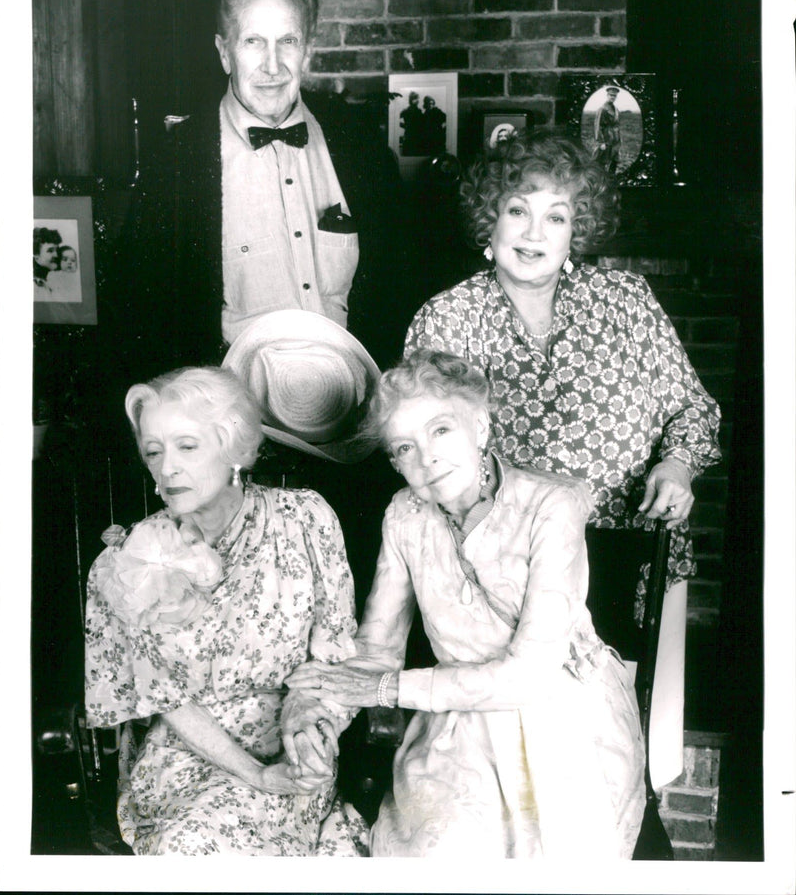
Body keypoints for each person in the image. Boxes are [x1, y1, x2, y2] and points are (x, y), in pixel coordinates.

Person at [286, 350, 646, 858]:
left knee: (554, 857)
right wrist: (319, 716)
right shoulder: (405, 516)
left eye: (440, 431)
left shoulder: (552, 505)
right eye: (404, 448)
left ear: (479, 426)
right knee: (444, 852)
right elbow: (377, 648)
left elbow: (529, 675)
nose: (426, 459)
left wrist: (386, 688)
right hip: (458, 721)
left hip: (563, 716)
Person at [404, 132, 722, 621]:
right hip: (505, 576)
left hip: (636, 558)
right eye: (517, 211)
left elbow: (692, 408)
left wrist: (678, 466)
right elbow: (425, 454)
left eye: (556, 216)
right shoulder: (448, 318)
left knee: (639, 697)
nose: (534, 234)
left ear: (577, 230)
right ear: (489, 221)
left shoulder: (626, 300)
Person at [84, 366, 368, 855]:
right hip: (188, 757)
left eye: (187, 446)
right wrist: (254, 773)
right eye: (154, 451)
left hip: (293, 746)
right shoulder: (128, 562)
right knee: (193, 844)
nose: (167, 466)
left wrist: (309, 733)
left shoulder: (304, 519)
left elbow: (337, 654)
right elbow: (166, 699)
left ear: (234, 447)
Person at [116, 0, 417, 379]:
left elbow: (400, 284)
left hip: (354, 414)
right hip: (236, 425)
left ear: (308, 50)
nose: (272, 66)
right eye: (253, 42)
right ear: (225, 52)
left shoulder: (358, 142)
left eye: (287, 41)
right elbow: (144, 320)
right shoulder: (176, 163)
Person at [593, 85, 622, 174]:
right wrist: (601, 142)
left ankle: (611, 177)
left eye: (614, 96)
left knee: (615, 160)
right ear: (607, 95)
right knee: (602, 161)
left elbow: (617, 125)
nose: (612, 97)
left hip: (615, 139)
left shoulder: (616, 109)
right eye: (611, 95)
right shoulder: (602, 109)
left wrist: (619, 139)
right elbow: (597, 126)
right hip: (606, 138)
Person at [33, 226, 61, 297]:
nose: (56, 255)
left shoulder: (46, 284)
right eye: (50, 251)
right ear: (36, 256)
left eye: (57, 250)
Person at [399, 91, 423, 156]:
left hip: (418, 136)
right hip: (409, 136)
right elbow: (395, 118)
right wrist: (405, 126)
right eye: (415, 98)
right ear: (411, 100)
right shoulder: (406, 111)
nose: (417, 100)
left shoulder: (419, 111)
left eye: (417, 98)